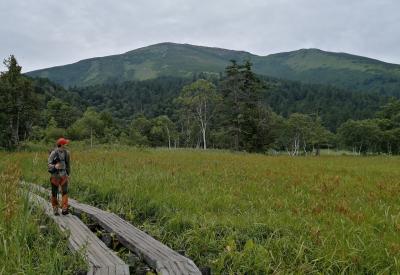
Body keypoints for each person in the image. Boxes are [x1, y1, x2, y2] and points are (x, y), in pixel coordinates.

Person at [48, 137, 71, 216]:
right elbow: (49, 165)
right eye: (65, 144)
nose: (66, 145)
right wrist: (55, 167)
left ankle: (64, 208)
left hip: (64, 175)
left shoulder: (66, 153)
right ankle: (55, 208)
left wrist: (68, 174)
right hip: (55, 176)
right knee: (54, 192)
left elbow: (68, 165)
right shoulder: (53, 153)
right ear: (61, 145)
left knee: (65, 191)